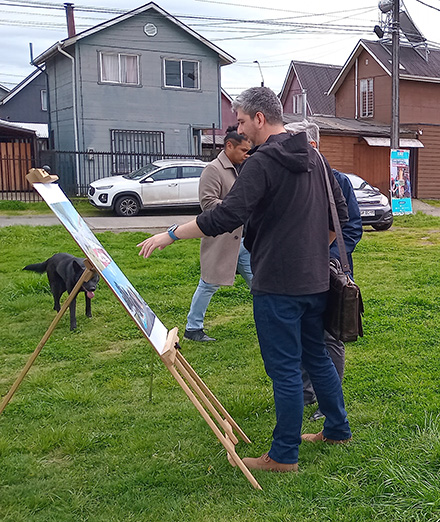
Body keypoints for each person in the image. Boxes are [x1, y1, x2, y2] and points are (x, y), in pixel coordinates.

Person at [137, 87, 352, 473]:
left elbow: (225, 216)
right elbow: (341, 216)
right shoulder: (315, 157)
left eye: (240, 121)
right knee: (316, 356)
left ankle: (283, 456)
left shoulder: (263, 161)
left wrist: (170, 234)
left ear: (259, 118)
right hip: (316, 279)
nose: (238, 129)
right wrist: (312, 253)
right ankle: (337, 429)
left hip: (278, 286)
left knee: (285, 369)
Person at [285, 120, 363, 421]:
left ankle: (329, 400)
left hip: (330, 272)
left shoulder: (338, 181)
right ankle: (307, 392)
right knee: (302, 333)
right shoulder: (290, 180)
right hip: (298, 273)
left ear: (312, 146)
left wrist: (324, 257)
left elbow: (351, 228)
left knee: (330, 336)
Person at [183, 126, 253, 342]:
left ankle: (272, 322)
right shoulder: (213, 169)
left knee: (260, 283)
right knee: (208, 283)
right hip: (222, 239)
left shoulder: (242, 168)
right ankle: (193, 328)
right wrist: (237, 208)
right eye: (243, 150)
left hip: (244, 241)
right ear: (229, 146)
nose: (247, 154)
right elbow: (207, 204)